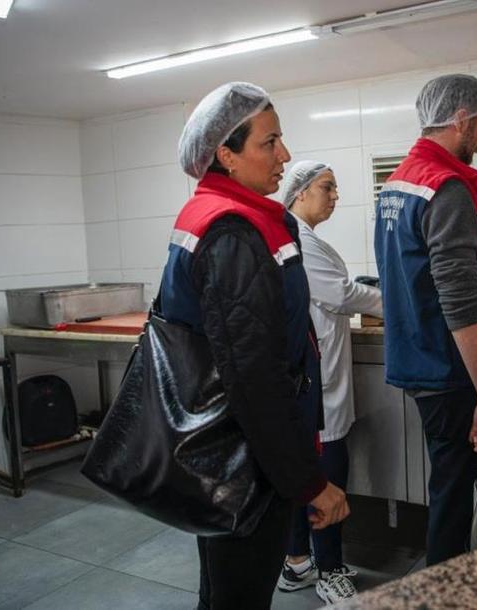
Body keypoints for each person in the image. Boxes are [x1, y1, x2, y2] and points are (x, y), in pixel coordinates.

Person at [164, 82, 349, 610]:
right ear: (226, 153)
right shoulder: (231, 233)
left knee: (226, 591)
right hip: (238, 458)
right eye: (269, 143)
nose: (284, 156)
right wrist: (309, 484)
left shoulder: (242, 217)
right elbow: (253, 378)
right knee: (238, 595)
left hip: (240, 449)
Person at [374, 74, 477, 565]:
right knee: (452, 490)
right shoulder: (446, 187)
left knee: (448, 482)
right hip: (446, 368)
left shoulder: (399, 182)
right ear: (461, 119)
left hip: (418, 357)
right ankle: (444, 586)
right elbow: (459, 297)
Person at [276, 160, 383, 604]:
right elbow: (339, 293)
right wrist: (396, 302)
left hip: (314, 378)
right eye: (327, 187)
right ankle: (330, 571)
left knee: (306, 473)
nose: (335, 196)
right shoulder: (300, 239)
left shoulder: (302, 238)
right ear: (300, 192)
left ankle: (298, 561)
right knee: (327, 475)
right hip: (317, 383)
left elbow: (337, 290)